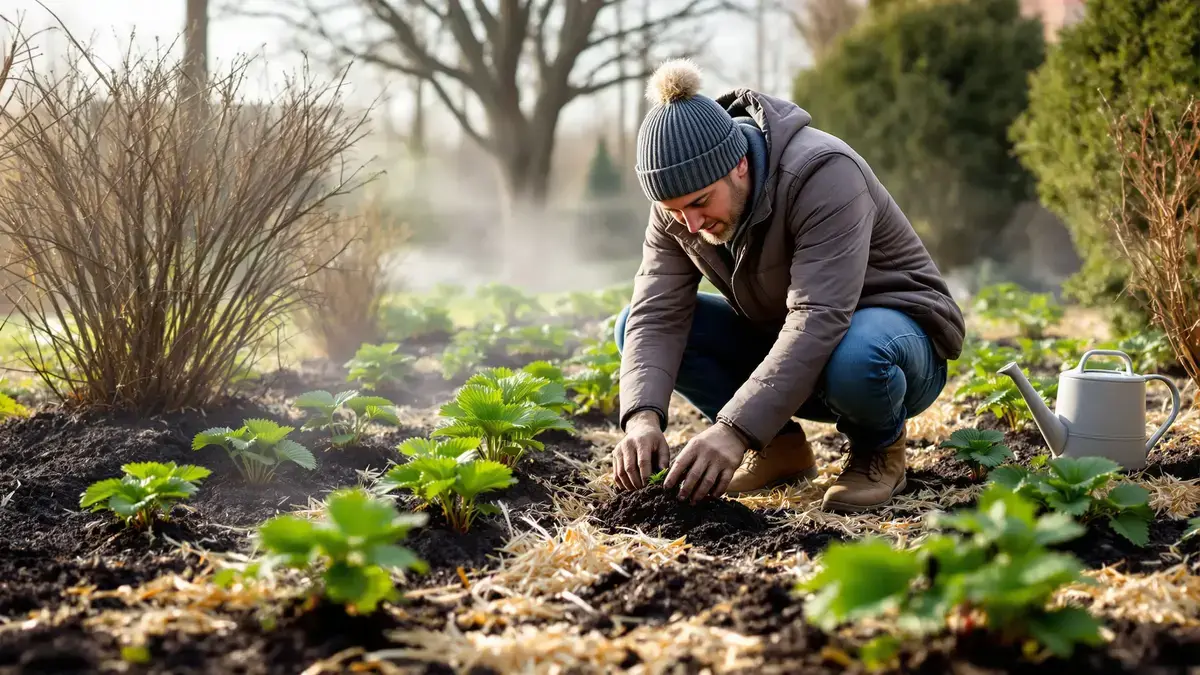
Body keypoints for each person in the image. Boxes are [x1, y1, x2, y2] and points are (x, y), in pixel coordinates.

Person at [610, 58, 966, 513]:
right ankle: (781, 451)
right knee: (630, 326)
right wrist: (641, 419)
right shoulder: (680, 211)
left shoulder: (823, 174)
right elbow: (657, 314)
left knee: (857, 353)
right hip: (798, 351)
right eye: (675, 211)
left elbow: (819, 317)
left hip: (896, 347)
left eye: (700, 203)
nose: (691, 224)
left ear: (739, 164)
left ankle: (880, 450)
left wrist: (733, 431)